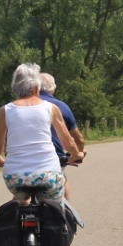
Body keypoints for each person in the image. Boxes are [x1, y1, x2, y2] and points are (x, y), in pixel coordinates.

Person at [0, 63, 85, 246]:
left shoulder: (5, 111)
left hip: (15, 177)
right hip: (49, 175)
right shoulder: (50, 108)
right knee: (57, 215)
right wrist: (76, 156)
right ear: (37, 86)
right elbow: (67, 142)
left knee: (20, 204)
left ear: (15, 88)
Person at [39, 72, 86, 201]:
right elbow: (78, 139)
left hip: (24, 161)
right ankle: (64, 215)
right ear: (53, 90)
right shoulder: (61, 107)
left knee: (21, 192)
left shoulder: (20, 106)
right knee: (62, 180)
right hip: (54, 159)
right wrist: (79, 153)